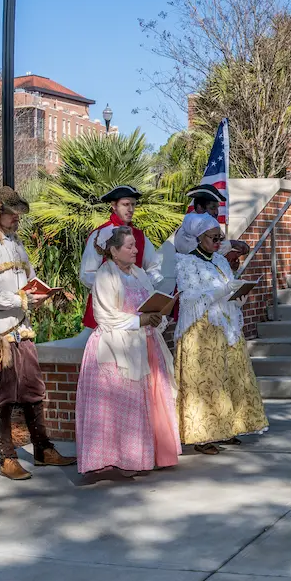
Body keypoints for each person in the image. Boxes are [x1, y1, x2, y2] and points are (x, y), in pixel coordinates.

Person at [0, 188, 77, 479]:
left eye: (17, 213)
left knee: (34, 392)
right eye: (11, 213)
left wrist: (39, 293)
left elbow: (29, 279)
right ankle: (7, 458)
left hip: (22, 331)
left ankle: (42, 449)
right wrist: (21, 300)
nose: (16, 218)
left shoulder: (17, 245)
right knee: (3, 397)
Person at [75, 227, 181, 477]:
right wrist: (140, 321)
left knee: (149, 401)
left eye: (135, 246)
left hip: (145, 343)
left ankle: (150, 454)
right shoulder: (105, 276)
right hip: (115, 348)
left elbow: (152, 301)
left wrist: (157, 318)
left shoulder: (139, 273)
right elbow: (106, 316)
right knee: (121, 407)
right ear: (113, 250)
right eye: (129, 247)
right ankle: (124, 458)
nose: (135, 251)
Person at [171, 213, 269, 454]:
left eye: (220, 237)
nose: (218, 241)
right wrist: (222, 291)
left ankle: (229, 427)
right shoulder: (186, 263)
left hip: (226, 325)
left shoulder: (221, 261)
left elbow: (227, 289)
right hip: (201, 329)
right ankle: (203, 435)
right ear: (199, 238)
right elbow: (189, 299)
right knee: (206, 381)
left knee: (232, 376)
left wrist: (238, 297)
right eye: (213, 237)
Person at [80, 185, 161, 329]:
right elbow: (87, 274)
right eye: (125, 204)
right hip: (107, 309)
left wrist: (140, 287)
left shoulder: (140, 237)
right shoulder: (100, 235)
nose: (130, 209)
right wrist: (111, 287)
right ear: (113, 206)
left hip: (136, 310)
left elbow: (154, 268)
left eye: (133, 205)